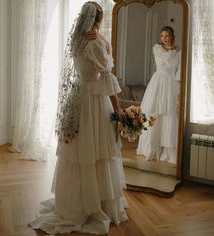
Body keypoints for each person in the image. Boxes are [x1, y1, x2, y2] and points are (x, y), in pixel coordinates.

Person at [29, 1, 128, 235]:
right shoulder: (96, 42)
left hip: (77, 96)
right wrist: (119, 108)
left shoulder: (76, 39)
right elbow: (106, 75)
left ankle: (74, 202)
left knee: (80, 152)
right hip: (94, 98)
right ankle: (96, 205)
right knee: (98, 152)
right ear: (98, 20)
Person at [137, 26, 181, 164]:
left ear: (171, 36)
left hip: (171, 83)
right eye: (162, 36)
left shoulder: (178, 51)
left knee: (169, 115)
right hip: (158, 82)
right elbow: (165, 62)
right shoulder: (157, 48)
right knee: (154, 113)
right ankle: (151, 149)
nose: (164, 38)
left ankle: (167, 152)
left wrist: (179, 85)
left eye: (167, 35)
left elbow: (178, 69)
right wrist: (174, 50)